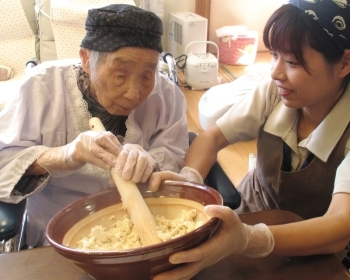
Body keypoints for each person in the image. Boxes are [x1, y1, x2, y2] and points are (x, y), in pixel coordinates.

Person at [149, 1, 350, 279]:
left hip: (312, 246)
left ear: (344, 63)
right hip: (248, 213)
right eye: (275, 55)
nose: (275, 72)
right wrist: (190, 179)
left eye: (292, 62)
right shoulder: (274, 92)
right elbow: (213, 137)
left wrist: (249, 239)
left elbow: (340, 226)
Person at [0, 4, 189, 247]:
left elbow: (175, 150)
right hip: (60, 231)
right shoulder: (41, 88)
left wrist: (150, 160)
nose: (134, 93)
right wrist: (65, 155)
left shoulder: (166, 94)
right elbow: (3, 160)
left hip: (146, 226)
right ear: (86, 60)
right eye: (120, 75)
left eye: (146, 75)